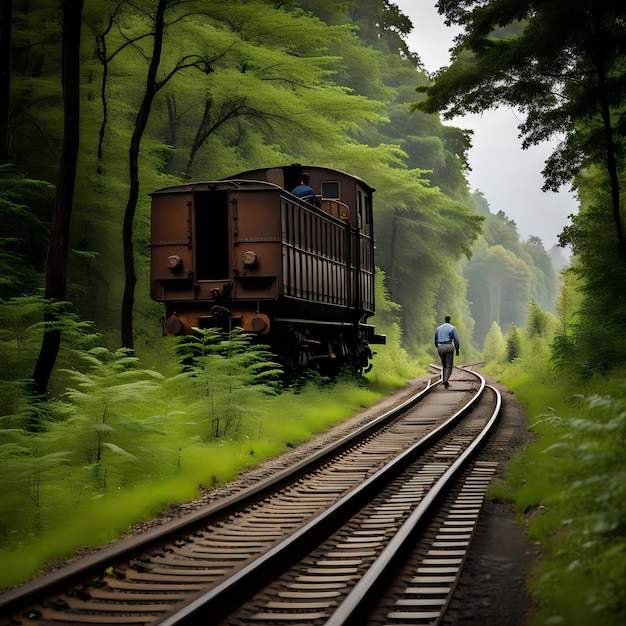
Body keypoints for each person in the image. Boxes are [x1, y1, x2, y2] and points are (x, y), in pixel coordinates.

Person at [434, 315, 460, 388]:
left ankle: (443, 379)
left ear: (444, 320)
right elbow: (456, 340)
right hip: (448, 347)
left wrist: (438, 347)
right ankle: (445, 380)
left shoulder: (438, 328)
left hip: (440, 348)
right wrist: (457, 350)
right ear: (450, 320)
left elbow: (435, 340)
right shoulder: (452, 328)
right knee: (449, 365)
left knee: (444, 365)